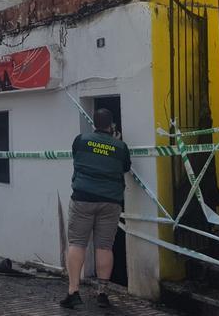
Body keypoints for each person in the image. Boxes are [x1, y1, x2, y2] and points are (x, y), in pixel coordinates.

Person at [60, 108, 131, 309]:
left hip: (83, 198)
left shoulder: (81, 140)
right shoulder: (121, 146)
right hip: (111, 201)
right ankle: (102, 293)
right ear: (112, 125)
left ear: (94, 123)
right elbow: (125, 167)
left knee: (77, 244)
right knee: (104, 247)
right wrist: (115, 141)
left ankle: (73, 292)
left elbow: (77, 158)